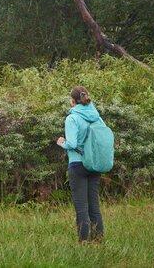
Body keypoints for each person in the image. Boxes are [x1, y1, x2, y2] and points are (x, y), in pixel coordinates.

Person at [56, 85, 105, 242]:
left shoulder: (72, 118)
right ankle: (98, 241)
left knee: (81, 208)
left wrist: (61, 142)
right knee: (94, 207)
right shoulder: (97, 117)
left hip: (78, 165)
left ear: (72, 101)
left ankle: (83, 243)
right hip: (95, 164)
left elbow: (72, 143)